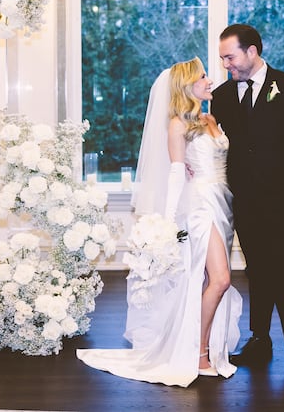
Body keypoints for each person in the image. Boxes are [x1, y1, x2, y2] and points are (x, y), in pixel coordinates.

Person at [77, 57, 242, 387]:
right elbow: (176, 173)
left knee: (209, 278)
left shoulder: (211, 118)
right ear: (187, 84)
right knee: (220, 279)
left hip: (223, 204)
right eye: (203, 76)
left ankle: (208, 347)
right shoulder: (177, 124)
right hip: (199, 206)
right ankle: (198, 354)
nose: (210, 80)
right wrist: (169, 225)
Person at [211, 24, 284, 384]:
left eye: (230, 57)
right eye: (223, 59)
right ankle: (260, 340)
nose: (226, 64)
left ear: (252, 52)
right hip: (242, 201)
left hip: (280, 199)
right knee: (256, 271)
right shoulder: (224, 96)